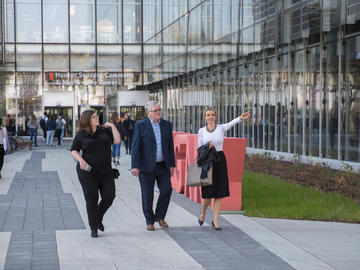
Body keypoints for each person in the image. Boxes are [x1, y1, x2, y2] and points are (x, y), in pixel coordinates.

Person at [197, 107, 250, 230]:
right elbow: (199, 148)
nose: (210, 117)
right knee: (207, 195)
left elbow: (231, 123)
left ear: (215, 116)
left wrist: (240, 118)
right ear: (205, 117)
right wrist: (207, 146)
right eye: (208, 115)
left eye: (212, 115)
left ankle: (215, 220)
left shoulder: (221, 128)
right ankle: (203, 212)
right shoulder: (201, 131)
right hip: (207, 162)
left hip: (220, 161)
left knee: (219, 192)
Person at [70, 110, 120, 238]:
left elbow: (117, 141)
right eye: (94, 117)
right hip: (88, 172)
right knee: (91, 199)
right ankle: (94, 228)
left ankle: (98, 217)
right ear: (87, 120)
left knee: (110, 196)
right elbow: (73, 150)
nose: (97, 118)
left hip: (106, 171)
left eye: (97, 116)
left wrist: (113, 126)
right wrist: (81, 160)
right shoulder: (81, 134)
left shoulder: (105, 130)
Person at [131, 101, 175, 231]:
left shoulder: (167, 125)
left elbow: (170, 146)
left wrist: (172, 164)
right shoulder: (140, 125)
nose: (158, 112)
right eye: (155, 110)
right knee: (147, 194)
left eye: (159, 109)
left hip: (163, 166)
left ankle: (160, 216)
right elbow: (135, 146)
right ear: (149, 113)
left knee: (167, 190)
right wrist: (135, 165)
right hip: (146, 167)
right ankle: (149, 220)